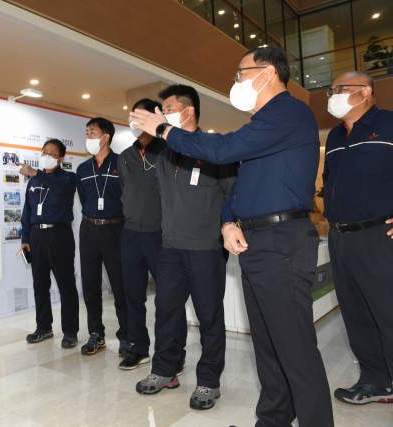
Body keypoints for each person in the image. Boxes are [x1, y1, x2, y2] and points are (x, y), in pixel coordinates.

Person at [130, 46, 334, 427]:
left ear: (269, 72)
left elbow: (223, 150)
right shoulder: (264, 121)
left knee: (294, 347)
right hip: (258, 241)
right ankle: (272, 419)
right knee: (269, 344)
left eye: (242, 72)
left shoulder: (289, 112)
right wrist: (228, 223)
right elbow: (238, 189)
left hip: (282, 240)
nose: (237, 81)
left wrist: (162, 129)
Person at [135, 85, 237, 411]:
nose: (163, 116)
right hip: (170, 248)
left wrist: (226, 227)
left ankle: (209, 380)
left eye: (167, 109)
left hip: (206, 249)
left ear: (188, 110)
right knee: (165, 311)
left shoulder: (215, 150)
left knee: (209, 316)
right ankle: (164, 371)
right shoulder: (163, 154)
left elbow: (232, 196)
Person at [323, 71, 393, 405]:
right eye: (330, 90)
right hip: (340, 238)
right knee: (356, 314)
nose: (332, 95)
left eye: (339, 89)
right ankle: (375, 380)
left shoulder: (389, 124)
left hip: (379, 236)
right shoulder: (335, 136)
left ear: (365, 92)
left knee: (388, 311)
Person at [117, 98, 188, 373]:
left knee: (169, 298)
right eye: (132, 117)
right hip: (131, 234)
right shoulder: (125, 156)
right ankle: (138, 348)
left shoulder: (170, 151)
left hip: (162, 235)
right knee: (133, 295)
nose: (135, 122)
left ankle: (174, 352)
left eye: (141, 116)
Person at [19, 139, 79, 349]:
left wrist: (38, 174)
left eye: (52, 153)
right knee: (40, 285)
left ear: (61, 158)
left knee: (66, 285)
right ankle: (44, 327)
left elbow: (61, 188)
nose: (47, 155)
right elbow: (27, 211)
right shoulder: (32, 182)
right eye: (44, 151)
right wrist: (25, 238)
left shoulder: (68, 178)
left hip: (59, 235)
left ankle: (70, 331)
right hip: (37, 236)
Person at [76, 117, 128, 356]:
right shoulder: (82, 169)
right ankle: (96, 335)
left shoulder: (123, 163)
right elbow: (84, 198)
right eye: (87, 132)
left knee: (120, 285)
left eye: (93, 132)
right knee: (90, 285)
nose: (88, 136)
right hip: (88, 230)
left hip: (115, 229)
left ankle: (127, 336)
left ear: (106, 137)